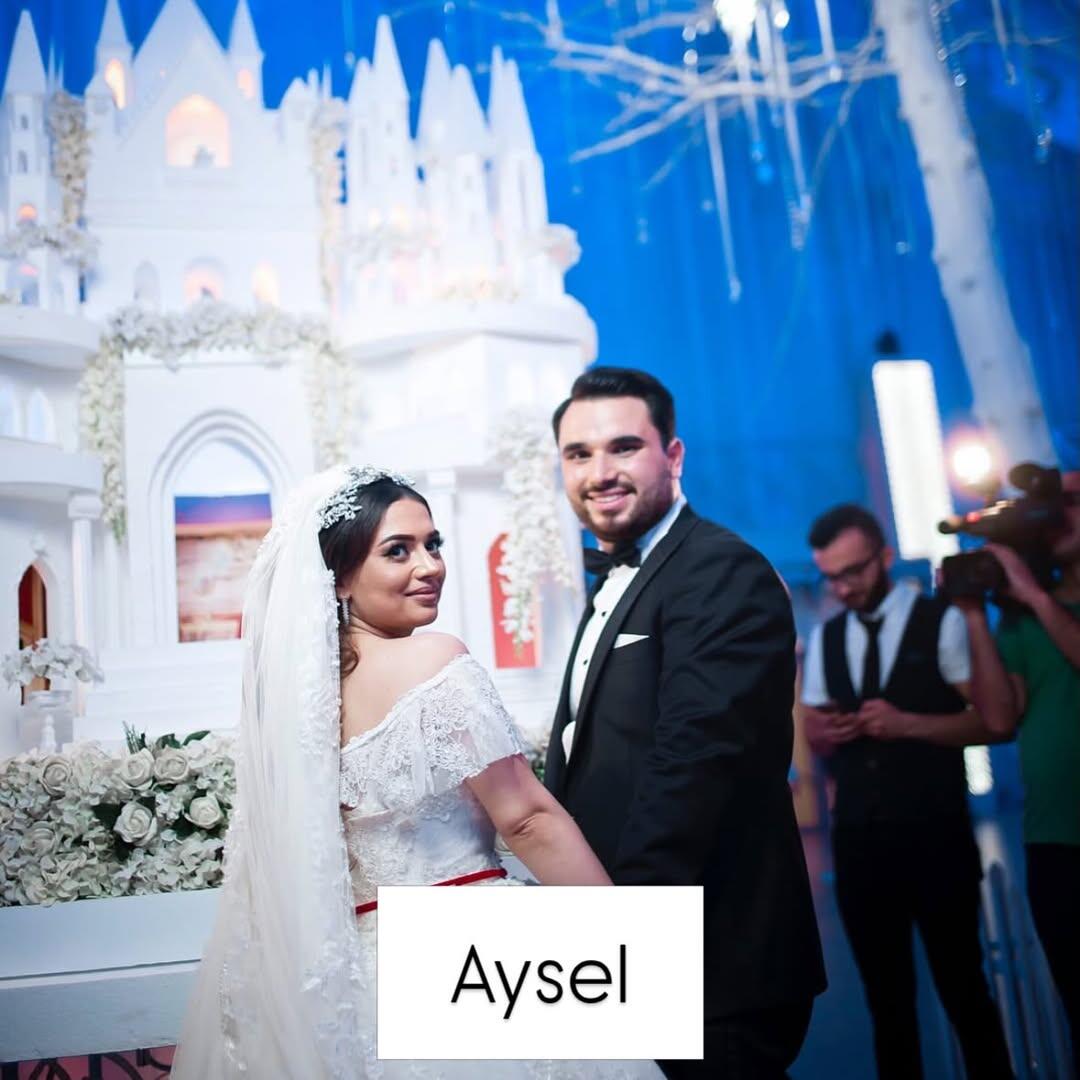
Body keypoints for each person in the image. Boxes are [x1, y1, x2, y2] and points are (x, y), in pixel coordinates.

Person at [172, 465, 663, 1079]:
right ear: (339, 576)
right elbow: (528, 820)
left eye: (433, 544)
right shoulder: (434, 661)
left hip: (357, 979)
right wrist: (628, 951)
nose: (429, 566)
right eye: (397, 551)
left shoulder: (293, 703)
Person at [544, 367, 825, 1080]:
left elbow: (695, 768)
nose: (599, 473)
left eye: (623, 447)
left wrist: (614, 952)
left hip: (709, 962)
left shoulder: (720, 572)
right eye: (578, 454)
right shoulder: (623, 579)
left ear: (673, 455)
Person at [801, 503, 1013, 1080]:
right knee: (886, 1003)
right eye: (832, 577)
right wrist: (825, 734)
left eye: (854, 571)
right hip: (859, 844)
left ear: (886, 557)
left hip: (936, 834)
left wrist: (906, 724)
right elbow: (815, 732)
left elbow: (993, 722)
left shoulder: (942, 620)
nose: (844, 588)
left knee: (963, 988)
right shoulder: (826, 638)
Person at [961, 468, 1080, 1070]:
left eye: (1072, 501)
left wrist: (1033, 594)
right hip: (1054, 842)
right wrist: (973, 614)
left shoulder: (1037, 605)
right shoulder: (1020, 619)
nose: (1057, 515)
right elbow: (1001, 717)